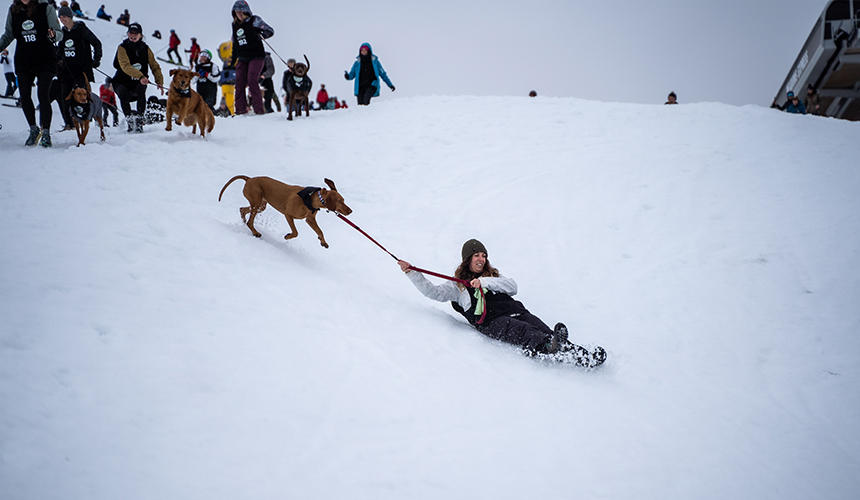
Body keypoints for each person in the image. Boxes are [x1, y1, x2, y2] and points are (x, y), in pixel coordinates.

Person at [396, 239, 570, 355]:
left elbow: (512, 287)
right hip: (492, 321)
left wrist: (483, 282)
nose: (481, 259)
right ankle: (546, 348)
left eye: (484, 255)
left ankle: (578, 353)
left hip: (516, 311)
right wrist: (412, 273)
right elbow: (433, 292)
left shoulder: (492, 277)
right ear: (467, 259)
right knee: (525, 331)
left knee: (543, 328)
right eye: (477, 255)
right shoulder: (457, 286)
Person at [0, 0, 63, 147]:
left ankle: (46, 132)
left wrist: (54, 35)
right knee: (25, 96)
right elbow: (8, 35)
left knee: (43, 94)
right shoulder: (13, 10)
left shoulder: (45, 8)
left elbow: (59, 32)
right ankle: (34, 129)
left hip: (45, 59)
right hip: (24, 61)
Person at [112, 22, 163, 132]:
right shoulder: (122, 48)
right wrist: (140, 76)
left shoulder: (146, 48)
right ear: (128, 33)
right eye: (131, 33)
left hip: (139, 82)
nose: (133, 35)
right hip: (122, 81)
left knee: (141, 92)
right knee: (123, 93)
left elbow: (154, 65)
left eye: (136, 33)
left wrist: (159, 81)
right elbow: (125, 66)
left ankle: (139, 121)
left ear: (140, 35)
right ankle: (130, 121)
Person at [57, 5, 102, 123]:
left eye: (65, 16)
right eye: (60, 17)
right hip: (67, 72)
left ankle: (85, 121)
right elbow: (59, 52)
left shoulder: (81, 29)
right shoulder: (62, 33)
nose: (62, 19)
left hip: (82, 71)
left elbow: (97, 43)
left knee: (82, 97)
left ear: (71, 16)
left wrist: (96, 60)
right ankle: (69, 124)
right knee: (65, 98)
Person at [230, 0, 274, 115]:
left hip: (256, 55)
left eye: (241, 11)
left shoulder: (254, 20)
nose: (239, 14)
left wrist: (259, 33)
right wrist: (233, 60)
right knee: (239, 82)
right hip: (243, 57)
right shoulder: (235, 25)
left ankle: (258, 110)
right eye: (236, 12)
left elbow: (270, 31)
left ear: (246, 11)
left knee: (252, 80)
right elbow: (235, 43)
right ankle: (240, 110)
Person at [344, 42, 394, 106]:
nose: (363, 52)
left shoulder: (375, 62)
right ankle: (364, 116)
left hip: (372, 85)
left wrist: (390, 85)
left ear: (369, 51)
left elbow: (383, 74)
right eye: (362, 50)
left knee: (366, 101)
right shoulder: (357, 63)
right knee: (360, 105)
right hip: (360, 87)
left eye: (365, 50)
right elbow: (352, 75)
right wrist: (347, 76)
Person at [217, 39, 235, 115]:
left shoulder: (232, 62)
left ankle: (230, 112)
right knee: (225, 97)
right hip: (226, 80)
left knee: (229, 97)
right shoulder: (226, 61)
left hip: (229, 80)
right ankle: (227, 111)